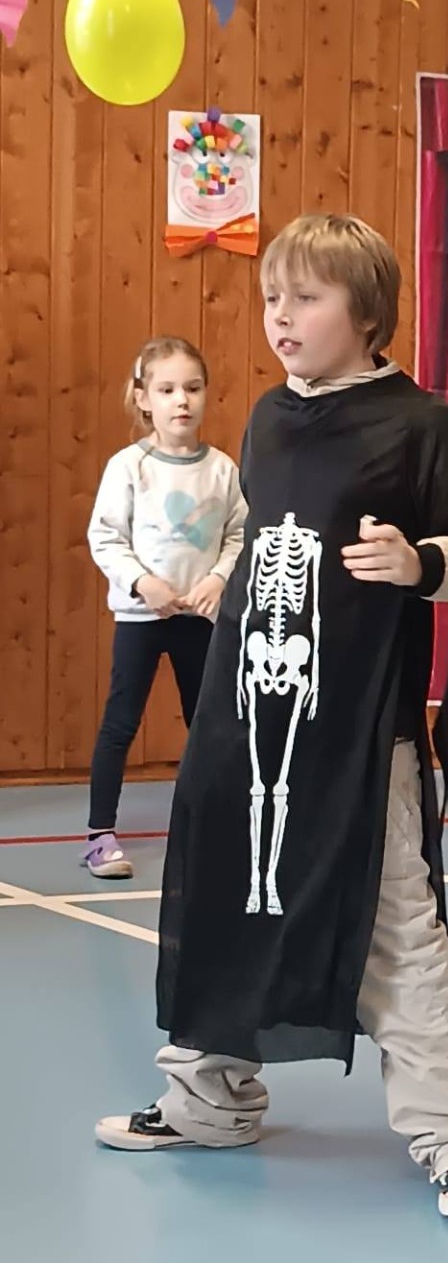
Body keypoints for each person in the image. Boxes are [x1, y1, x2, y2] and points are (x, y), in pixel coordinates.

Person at [96, 214, 448, 1219]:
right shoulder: (270, 420)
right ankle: (209, 1098)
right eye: (272, 297)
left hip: (362, 729)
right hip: (246, 713)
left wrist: (422, 564)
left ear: (365, 313)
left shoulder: (421, 426)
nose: (280, 315)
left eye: (306, 297)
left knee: (395, 919)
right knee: (221, 901)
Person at [84, 338, 247, 881]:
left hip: (199, 621)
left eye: (192, 388)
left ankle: (212, 827)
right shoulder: (129, 467)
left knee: (208, 724)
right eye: (168, 389)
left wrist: (218, 579)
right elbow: (105, 537)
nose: (182, 400)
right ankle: (100, 835)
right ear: (143, 398)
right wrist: (142, 583)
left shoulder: (221, 470)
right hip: (142, 620)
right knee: (120, 722)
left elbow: (240, 534)